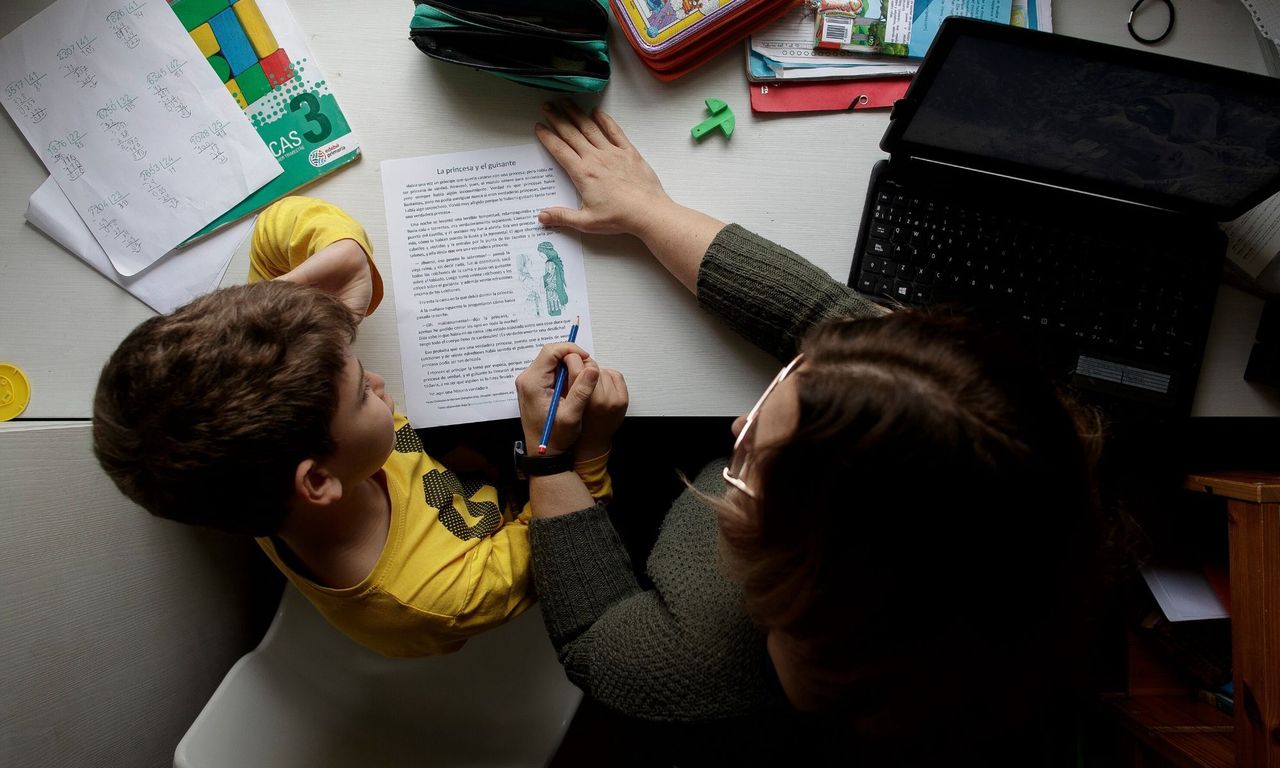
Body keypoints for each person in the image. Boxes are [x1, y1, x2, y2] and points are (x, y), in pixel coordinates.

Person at [515, 103, 1103, 764]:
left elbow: (595, 635)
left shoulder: (685, 661)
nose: (740, 422)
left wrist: (547, 459)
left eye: (753, 460)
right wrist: (647, 209)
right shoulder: (993, 445)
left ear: (793, 564)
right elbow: (829, 321)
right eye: (786, 381)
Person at [92, 196, 616, 657]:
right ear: (317, 480)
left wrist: (338, 260)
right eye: (363, 390)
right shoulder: (439, 597)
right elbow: (564, 557)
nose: (381, 383)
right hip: (519, 529)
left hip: (461, 474)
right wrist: (575, 453)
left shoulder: (264, 465)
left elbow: (276, 224)